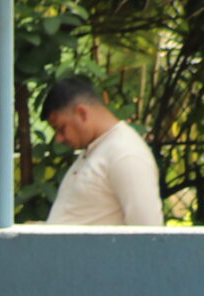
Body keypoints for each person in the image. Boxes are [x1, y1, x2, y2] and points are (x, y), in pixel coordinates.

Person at [41, 77, 163, 227]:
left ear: (82, 113)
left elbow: (147, 231)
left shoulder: (125, 153)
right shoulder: (97, 148)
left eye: (61, 128)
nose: (59, 139)